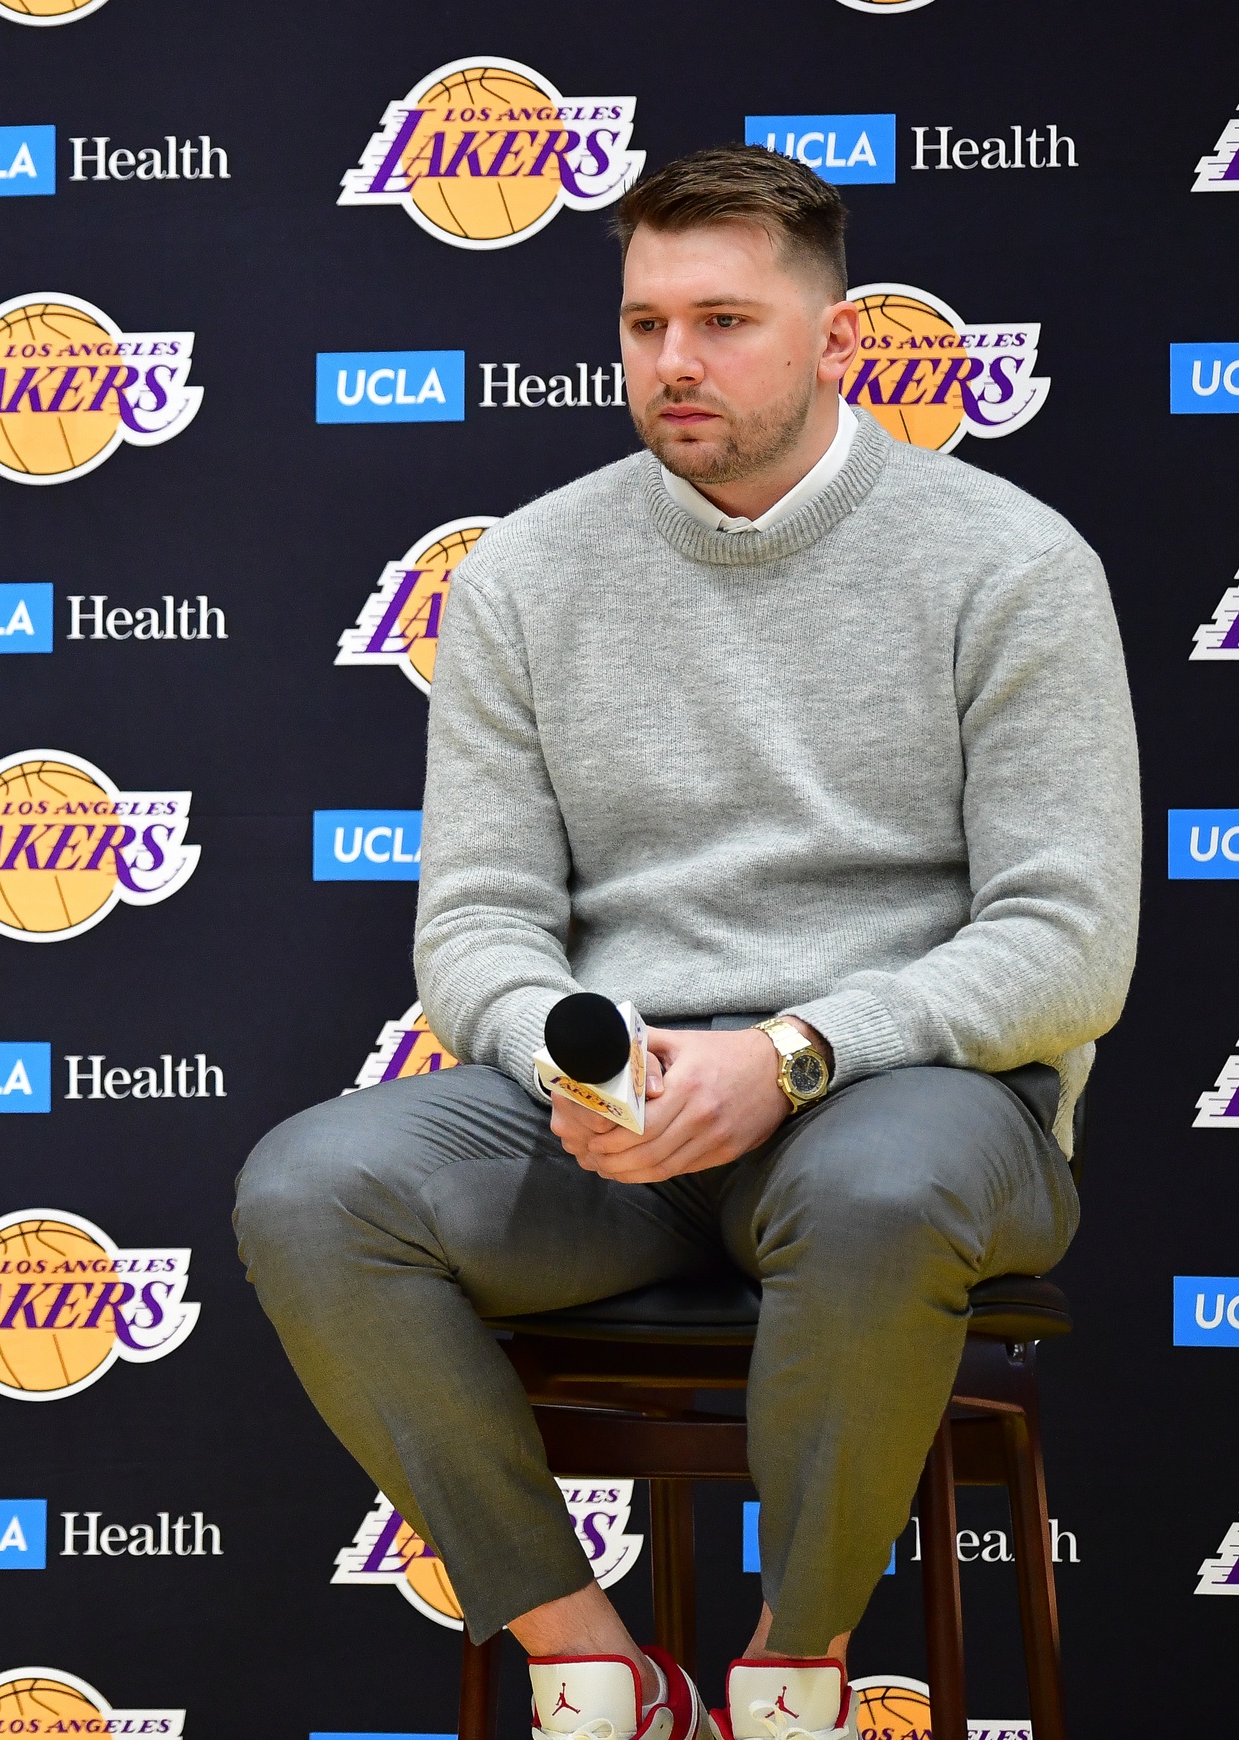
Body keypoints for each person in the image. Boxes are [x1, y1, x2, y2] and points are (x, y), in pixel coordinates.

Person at [235, 146, 1137, 1740]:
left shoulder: (1009, 560)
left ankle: (791, 1676)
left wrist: (793, 1056)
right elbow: (480, 926)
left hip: (915, 1098)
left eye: (724, 320)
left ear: (835, 337)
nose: (675, 363)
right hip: (624, 1121)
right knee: (313, 1191)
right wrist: (567, 1053)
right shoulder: (525, 571)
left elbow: (1069, 944)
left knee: (877, 1187)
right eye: (646, 323)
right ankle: (592, 1672)